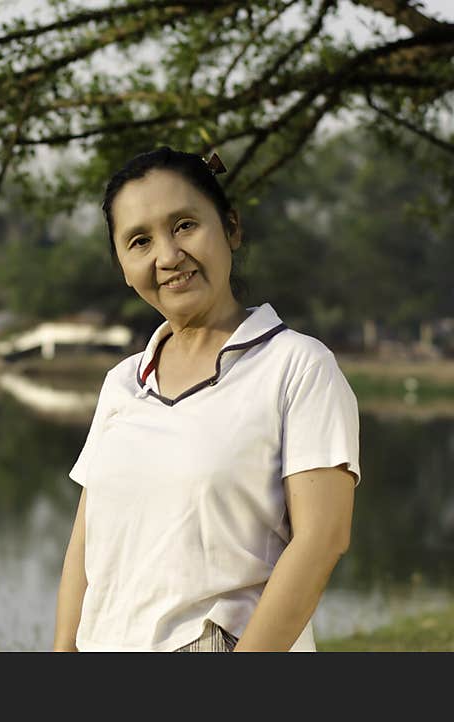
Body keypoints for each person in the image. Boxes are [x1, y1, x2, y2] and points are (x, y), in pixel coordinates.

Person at [53, 146, 361, 652]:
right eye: (139, 241)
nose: (168, 256)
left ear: (231, 229)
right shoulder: (123, 382)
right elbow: (85, 545)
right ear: (124, 268)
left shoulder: (297, 367)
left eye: (184, 225)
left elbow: (322, 539)